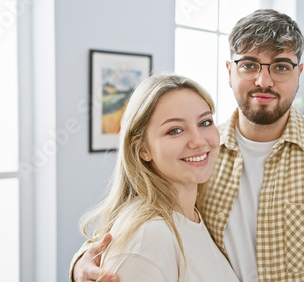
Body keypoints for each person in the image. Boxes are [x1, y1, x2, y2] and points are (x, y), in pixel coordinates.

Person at [71, 9, 304, 281]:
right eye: (249, 64)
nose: (264, 81)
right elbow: (140, 223)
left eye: (281, 66)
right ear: (230, 72)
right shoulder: (201, 156)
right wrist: (81, 263)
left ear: (299, 74)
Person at [75, 74, 239, 282]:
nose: (198, 141)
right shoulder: (149, 237)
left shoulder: (191, 215)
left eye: (205, 122)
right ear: (142, 149)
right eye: (175, 130)